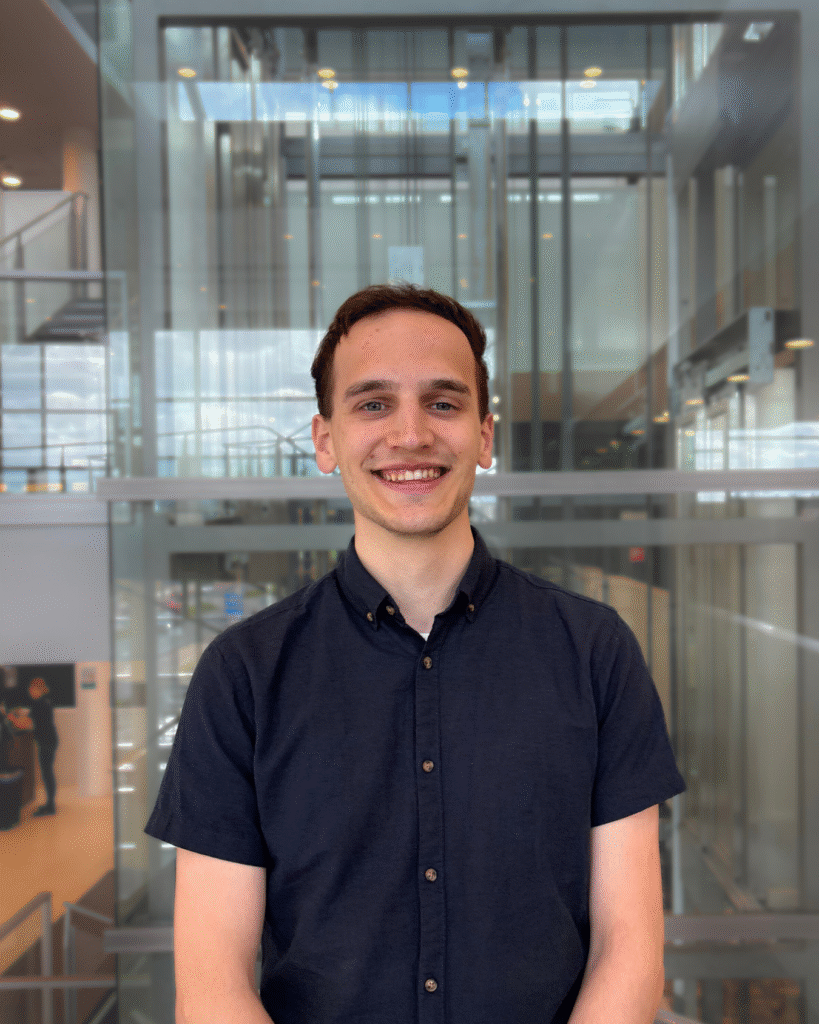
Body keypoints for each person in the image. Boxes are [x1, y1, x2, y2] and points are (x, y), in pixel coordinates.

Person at [146, 283, 685, 1024]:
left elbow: (630, 951)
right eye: (373, 404)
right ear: (325, 441)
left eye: (442, 402)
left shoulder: (595, 652)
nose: (410, 434)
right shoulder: (242, 674)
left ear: (485, 436)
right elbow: (213, 986)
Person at [7, 676, 59, 816]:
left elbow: (22, 724)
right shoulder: (44, 702)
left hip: (46, 742)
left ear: (37, 690)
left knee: (47, 774)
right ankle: (50, 804)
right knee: (48, 773)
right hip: (50, 740)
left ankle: (50, 807)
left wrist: (11, 717)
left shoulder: (38, 705)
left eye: (31, 689)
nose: (30, 692)